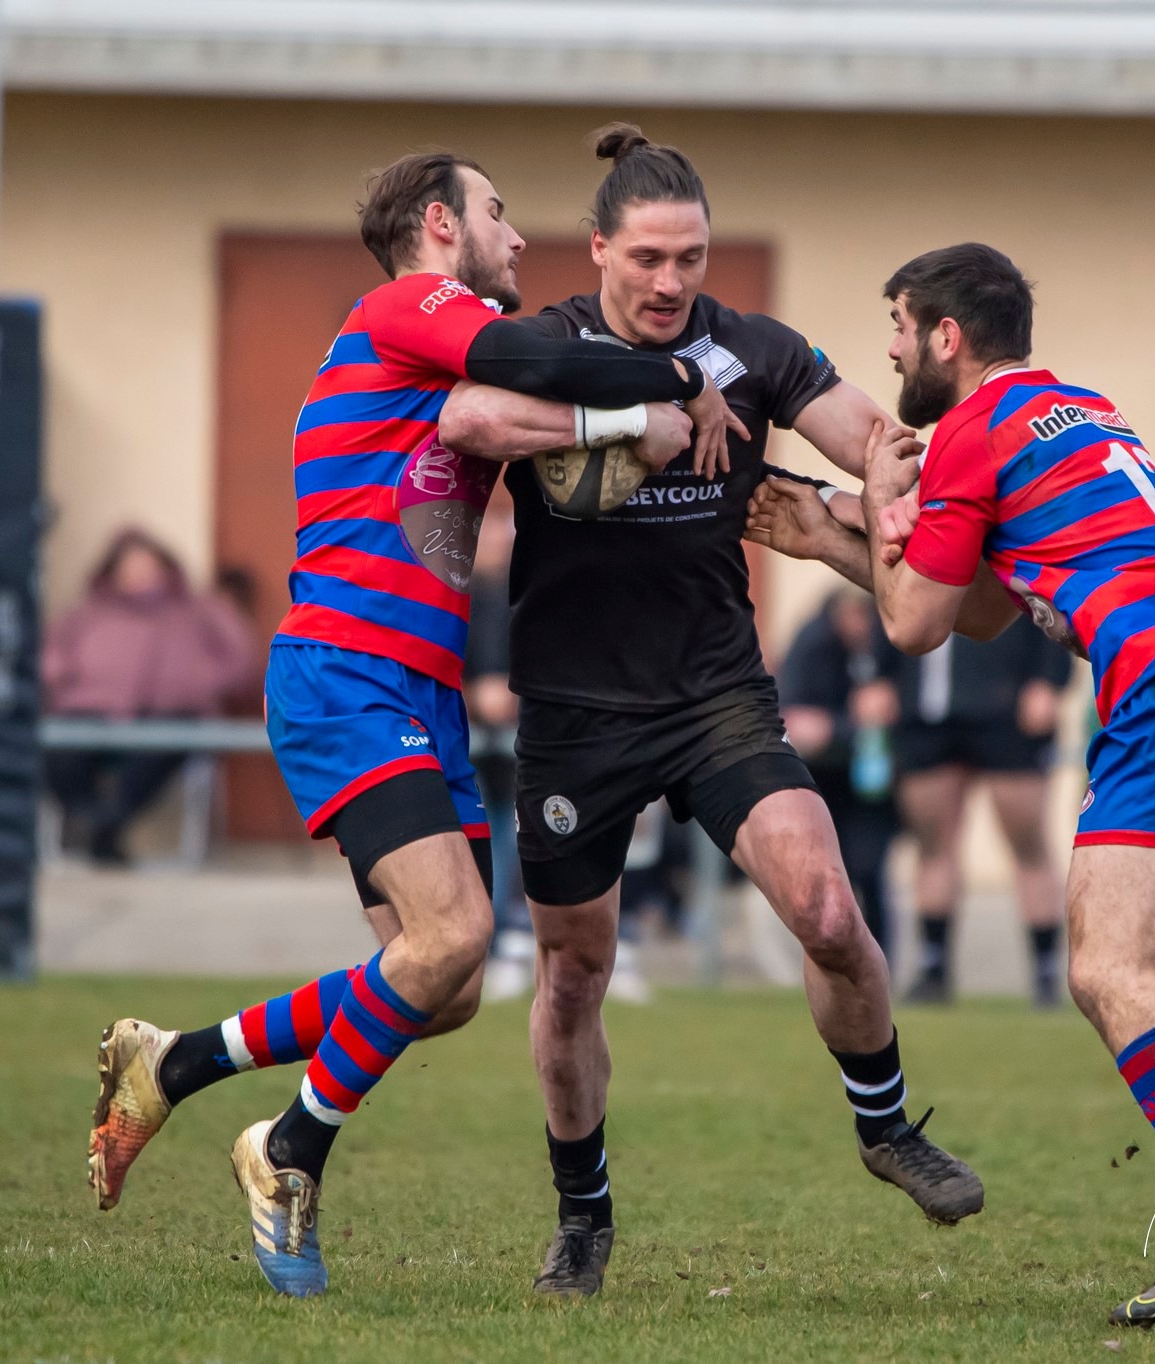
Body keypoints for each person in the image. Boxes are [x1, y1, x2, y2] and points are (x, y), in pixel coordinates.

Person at [84, 148, 727, 1297]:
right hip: (346, 670)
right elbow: (513, 363)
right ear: (439, 225)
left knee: (443, 981)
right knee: (450, 938)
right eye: (494, 212)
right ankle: (287, 1150)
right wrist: (660, 387)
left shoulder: (422, 358)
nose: (516, 236)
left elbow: (491, 410)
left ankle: (174, 1060)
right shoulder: (402, 304)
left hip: (413, 686)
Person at [747, 242, 1155, 1329]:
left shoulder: (970, 428)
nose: (887, 349)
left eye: (897, 324)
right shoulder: (1078, 408)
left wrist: (863, 515)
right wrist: (842, 541)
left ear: (945, 335)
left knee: (1110, 970)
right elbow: (976, 605)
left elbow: (916, 624)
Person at [435, 124, 983, 1297]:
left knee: (829, 907)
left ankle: (884, 1125)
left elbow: (875, 441)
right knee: (576, 971)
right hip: (577, 709)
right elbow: (470, 420)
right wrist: (626, 417)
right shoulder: (543, 344)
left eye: (688, 257)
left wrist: (893, 495)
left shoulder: (757, 350)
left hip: (715, 693)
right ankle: (582, 1215)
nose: (668, 281)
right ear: (596, 250)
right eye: (644, 257)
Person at [41, 528, 258, 865]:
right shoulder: (87, 612)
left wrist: (202, 683)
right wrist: (63, 678)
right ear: (113, 571)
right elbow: (51, 653)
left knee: (156, 755)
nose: (139, 575)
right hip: (89, 712)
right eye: (130, 567)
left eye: (147, 566)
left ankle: (107, 825)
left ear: (164, 568)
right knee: (61, 755)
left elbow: (242, 657)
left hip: (169, 716)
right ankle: (93, 824)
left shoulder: (197, 610)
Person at [890, 623, 1071, 1007]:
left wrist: (1049, 681)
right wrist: (878, 676)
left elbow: (1048, 604)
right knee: (934, 847)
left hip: (1007, 713)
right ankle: (933, 969)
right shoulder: (910, 561)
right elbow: (890, 605)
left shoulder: (1016, 560)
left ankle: (1046, 972)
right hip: (928, 717)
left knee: (1028, 844)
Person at [779, 590, 902, 957]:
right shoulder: (813, 646)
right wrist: (845, 724)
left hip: (874, 784)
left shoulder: (892, 651)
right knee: (831, 877)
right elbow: (798, 720)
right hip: (826, 780)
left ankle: (882, 962)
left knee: (869, 871)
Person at [465, 504, 538, 1001]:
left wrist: (516, 693)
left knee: (517, 832)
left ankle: (512, 939)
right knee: (476, 836)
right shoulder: (451, 595)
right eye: (490, 522)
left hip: (522, 744)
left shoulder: (529, 590)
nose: (499, 534)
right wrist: (473, 693)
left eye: (506, 522)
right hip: (460, 743)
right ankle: (479, 945)